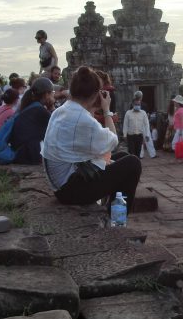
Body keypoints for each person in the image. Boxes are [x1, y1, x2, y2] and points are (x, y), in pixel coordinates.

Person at [42, 66, 141, 211]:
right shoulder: (81, 118)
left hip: (63, 181)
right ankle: (117, 221)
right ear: (95, 94)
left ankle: (113, 215)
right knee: (133, 164)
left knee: (123, 157)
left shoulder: (62, 110)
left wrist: (92, 107)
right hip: (69, 189)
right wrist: (106, 110)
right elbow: (113, 140)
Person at [10, 77, 54, 164]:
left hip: (20, 152)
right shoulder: (40, 111)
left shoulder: (31, 106)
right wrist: (51, 107)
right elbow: (57, 130)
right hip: (29, 154)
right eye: (52, 93)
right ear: (46, 94)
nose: (53, 95)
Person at [123, 91, 150, 157]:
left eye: (139, 105)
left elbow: (146, 124)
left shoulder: (143, 113)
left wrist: (147, 134)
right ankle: (131, 166)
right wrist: (124, 135)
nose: (137, 106)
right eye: (136, 104)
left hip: (139, 136)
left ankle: (136, 166)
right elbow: (125, 124)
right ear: (132, 104)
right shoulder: (128, 113)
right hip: (130, 136)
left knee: (138, 153)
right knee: (131, 153)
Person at [171, 95, 183, 162]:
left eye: (175, 102)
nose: (174, 103)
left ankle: (182, 158)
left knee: (177, 143)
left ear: (178, 103)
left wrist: (181, 131)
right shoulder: (180, 109)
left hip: (181, 129)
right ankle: (182, 158)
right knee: (182, 143)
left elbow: (182, 121)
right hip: (181, 128)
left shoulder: (181, 110)